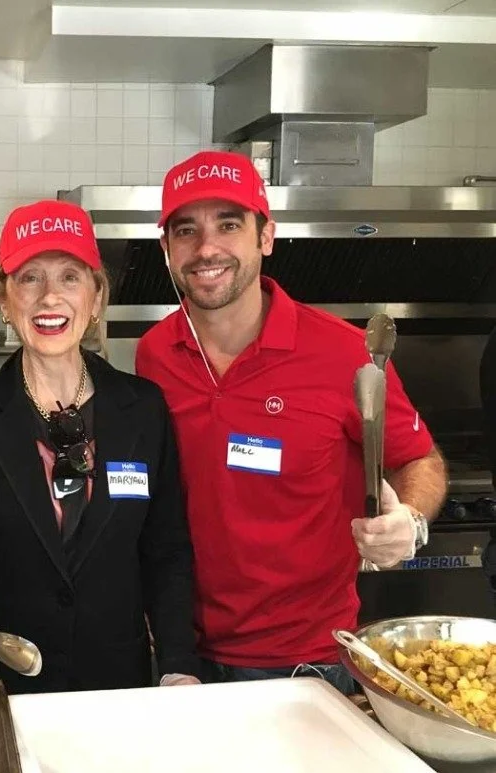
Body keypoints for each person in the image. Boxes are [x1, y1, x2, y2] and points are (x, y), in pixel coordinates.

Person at [135, 150, 447, 695]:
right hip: (181, 654)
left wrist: (412, 521)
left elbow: (418, 458)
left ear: (266, 236)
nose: (206, 248)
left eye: (228, 225)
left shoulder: (344, 354)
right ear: (166, 250)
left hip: (308, 665)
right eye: (186, 231)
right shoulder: (154, 355)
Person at [0, 199, 201, 695]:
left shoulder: (143, 408)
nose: (50, 297)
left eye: (70, 277)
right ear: (5, 300)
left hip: (114, 682)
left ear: (95, 298)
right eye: (30, 278)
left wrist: (177, 662)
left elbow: (167, 551)